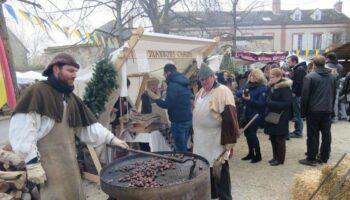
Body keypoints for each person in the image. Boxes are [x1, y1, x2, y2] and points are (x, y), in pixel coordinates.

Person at [8, 53, 129, 199]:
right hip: (48, 164)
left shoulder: (71, 98)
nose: (74, 75)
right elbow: (23, 128)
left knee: (74, 194)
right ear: (56, 70)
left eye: (76, 71)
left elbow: (87, 127)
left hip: (70, 162)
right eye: (70, 71)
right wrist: (32, 162)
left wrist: (111, 139)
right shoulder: (38, 91)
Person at [192, 63, 239, 200]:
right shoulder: (200, 92)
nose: (204, 82)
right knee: (207, 172)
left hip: (216, 141)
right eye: (202, 80)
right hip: (201, 142)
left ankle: (225, 198)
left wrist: (229, 143)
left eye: (207, 78)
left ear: (213, 76)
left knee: (220, 173)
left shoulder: (223, 91)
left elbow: (231, 118)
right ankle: (212, 196)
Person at [299, 55, 336, 166]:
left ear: (314, 64)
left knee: (313, 134)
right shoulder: (332, 76)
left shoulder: (310, 77)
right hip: (327, 109)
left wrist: (303, 112)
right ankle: (324, 156)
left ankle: (311, 158)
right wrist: (331, 108)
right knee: (326, 133)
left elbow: (305, 97)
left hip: (314, 110)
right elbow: (334, 94)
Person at [155, 63, 192, 152]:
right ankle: (187, 162)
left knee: (180, 148)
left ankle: (184, 165)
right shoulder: (184, 81)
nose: (164, 76)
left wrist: (157, 100)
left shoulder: (173, 85)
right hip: (187, 119)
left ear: (168, 73)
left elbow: (168, 104)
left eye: (164, 74)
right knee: (184, 146)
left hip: (178, 121)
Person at [236, 68, 268, 163]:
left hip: (255, 115)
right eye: (251, 76)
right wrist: (243, 94)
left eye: (254, 76)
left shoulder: (263, 88)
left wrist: (249, 99)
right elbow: (238, 92)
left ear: (259, 77)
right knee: (247, 134)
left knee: (252, 135)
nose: (252, 78)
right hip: (246, 113)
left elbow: (261, 104)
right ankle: (251, 153)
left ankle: (258, 155)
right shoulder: (247, 84)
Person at [265, 68, 293, 166]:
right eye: (270, 77)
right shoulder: (272, 86)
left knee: (280, 139)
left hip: (281, 117)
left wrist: (271, 103)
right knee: (272, 137)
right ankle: (275, 157)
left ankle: (280, 159)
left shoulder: (284, 88)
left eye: (272, 77)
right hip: (272, 116)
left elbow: (287, 103)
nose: (270, 79)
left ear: (279, 77)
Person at [287, 55, 306, 138]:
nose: (288, 63)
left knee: (298, 113)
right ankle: (297, 130)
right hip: (298, 94)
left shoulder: (299, 69)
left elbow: (299, 83)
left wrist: (294, 92)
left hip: (297, 95)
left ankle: (298, 132)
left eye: (289, 62)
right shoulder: (298, 69)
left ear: (294, 61)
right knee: (297, 113)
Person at [326, 52, 344, 122]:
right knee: (335, 102)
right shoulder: (340, 66)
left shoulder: (326, 65)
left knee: (327, 101)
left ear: (328, 58)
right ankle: (335, 117)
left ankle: (328, 116)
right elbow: (340, 76)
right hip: (336, 86)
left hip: (327, 86)